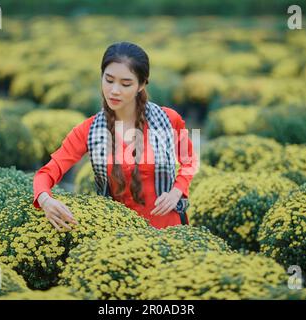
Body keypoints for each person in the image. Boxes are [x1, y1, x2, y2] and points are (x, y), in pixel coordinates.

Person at [33, 41, 199, 232]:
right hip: (119, 237)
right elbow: (47, 172)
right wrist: (45, 200)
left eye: (126, 83)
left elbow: (189, 161)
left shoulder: (168, 120)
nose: (114, 91)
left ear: (141, 84)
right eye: (109, 80)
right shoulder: (88, 130)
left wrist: (177, 191)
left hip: (169, 231)